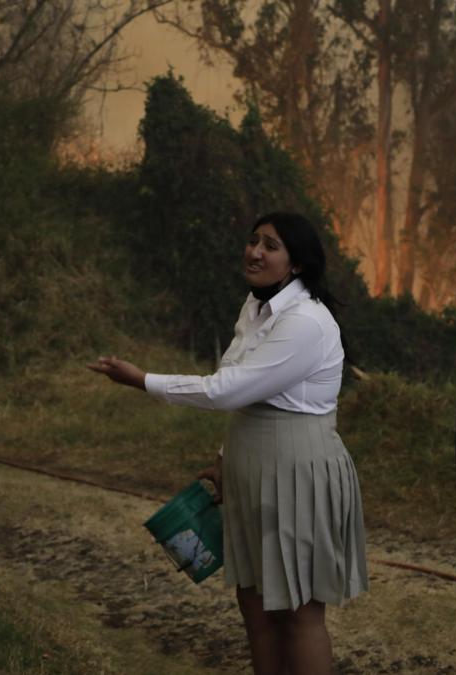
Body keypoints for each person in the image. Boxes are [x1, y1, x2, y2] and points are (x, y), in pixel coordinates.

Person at [87, 211, 368, 675]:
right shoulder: (255, 308)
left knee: (298, 609)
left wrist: (143, 381)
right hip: (250, 465)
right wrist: (222, 458)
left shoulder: (306, 323)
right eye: (254, 240)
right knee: (254, 601)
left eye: (271, 245)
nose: (255, 251)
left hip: (296, 468)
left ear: (296, 264)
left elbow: (226, 390)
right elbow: (245, 392)